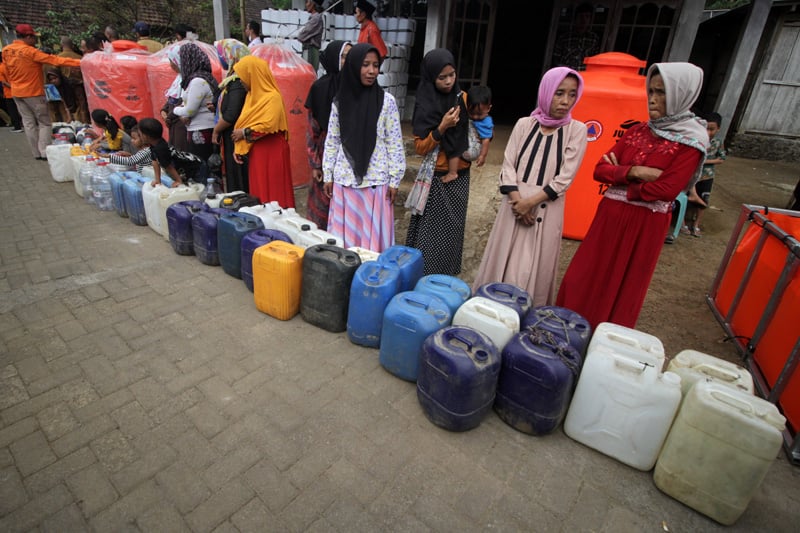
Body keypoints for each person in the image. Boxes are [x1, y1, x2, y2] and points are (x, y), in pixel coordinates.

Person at [556, 62, 708, 328]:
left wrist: (621, 177)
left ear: (681, 95)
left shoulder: (690, 141)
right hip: (609, 217)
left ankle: (602, 338)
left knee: (621, 283)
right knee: (585, 274)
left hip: (644, 225)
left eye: (661, 92)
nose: (652, 99)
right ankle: (567, 327)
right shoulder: (638, 130)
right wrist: (636, 171)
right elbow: (600, 170)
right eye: (651, 90)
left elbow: (667, 190)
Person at [472, 68, 588, 306]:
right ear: (546, 93)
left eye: (572, 94)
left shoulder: (576, 131)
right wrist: (517, 201)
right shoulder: (525, 124)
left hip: (544, 208)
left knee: (532, 267)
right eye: (559, 93)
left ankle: (526, 314)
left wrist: (529, 203)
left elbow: (565, 178)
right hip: (513, 206)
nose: (565, 101)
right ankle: (489, 308)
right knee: (503, 257)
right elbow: (508, 165)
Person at [322, 43, 405, 252]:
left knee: (372, 246)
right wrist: (328, 175)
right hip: (345, 181)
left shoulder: (387, 102)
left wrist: (395, 179)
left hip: (375, 182)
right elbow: (332, 140)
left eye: (376, 65)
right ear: (353, 66)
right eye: (365, 65)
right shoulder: (339, 102)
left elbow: (394, 141)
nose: (372, 71)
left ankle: (370, 279)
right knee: (345, 243)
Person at [405, 48, 471, 275]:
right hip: (437, 175)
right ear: (431, 77)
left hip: (460, 174)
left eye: (452, 75)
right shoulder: (425, 104)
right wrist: (442, 127)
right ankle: (424, 274)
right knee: (430, 233)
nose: (448, 81)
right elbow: (421, 147)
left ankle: (446, 274)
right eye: (442, 77)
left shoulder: (461, 97)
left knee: (452, 229)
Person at [2, 23, 82, 160]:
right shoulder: (30, 52)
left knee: (28, 123)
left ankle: (36, 153)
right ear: (27, 37)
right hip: (33, 92)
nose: (35, 41)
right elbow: (55, 60)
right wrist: (80, 62)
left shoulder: (6, 51)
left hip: (16, 92)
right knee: (44, 122)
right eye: (33, 37)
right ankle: (44, 151)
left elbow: (8, 72)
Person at [230, 55, 294, 207]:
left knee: (275, 192)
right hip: (258, 151)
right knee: (260, 190)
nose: (241, 82)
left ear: (252, 75)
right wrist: (239, 145)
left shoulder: (273, 98)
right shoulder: (251, 97)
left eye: (242, 77)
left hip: (273, 151)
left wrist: (243, 133)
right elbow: (245, 122)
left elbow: (268, 125)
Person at [305, 40, 351, 230]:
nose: (348, 61)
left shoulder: (359, 89)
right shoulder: (320, 89)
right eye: (343, 56)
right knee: (323, 200)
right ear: (333, 59)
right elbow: (311, 130)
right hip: (326, 154)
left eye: (351, 56)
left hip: (351, 156)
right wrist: (316, 164)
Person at [213, 39, 251, 193]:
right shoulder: (231, 79)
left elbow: (231, 113)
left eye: (223, 54)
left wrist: (216, 130)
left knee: (238, 176)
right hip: (232, 135)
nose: (221, 58)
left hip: (236, 135)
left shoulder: (237, 82)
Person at [172, 42, 219, 162]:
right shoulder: (201, 77)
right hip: (199, 129)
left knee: (201, 164)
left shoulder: (198, 81)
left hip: (201, 130)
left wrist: (175, 110)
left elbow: (189, 110)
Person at [682, 111, 725, 237]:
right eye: (706, 129)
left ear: (718, 129)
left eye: (712, 129)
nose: (709, 132)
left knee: (703, 201)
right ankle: (683, 224)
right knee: (687, 199)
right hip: (694, 175)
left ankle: (696, 225)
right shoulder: (697, 139)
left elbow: (721, 159)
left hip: (707, 176)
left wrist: (704, 161)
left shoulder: (717, 142)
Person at [138, 117, 206, 186]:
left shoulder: (160, 149)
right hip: (187, 167)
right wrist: (157, 180)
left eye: (140, 134)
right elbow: (155, 161)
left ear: (146, 136)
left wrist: (178, 181)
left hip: (197, 166)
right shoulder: (154, 144)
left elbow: (169, 167)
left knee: (201, 187)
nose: (139, 137)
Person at [160, 43, 190, 152]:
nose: (171, 65)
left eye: (172, 61)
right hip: (173, 122)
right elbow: (172, 98)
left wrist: (169, 116)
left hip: (181, 124)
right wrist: (163, 110)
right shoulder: (178, 79)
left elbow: (184, 101)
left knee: (181, 151)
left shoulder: (190, 80)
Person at [552, 2, 600, 70]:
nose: (583, 20)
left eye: (587, 16)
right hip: (567, 75)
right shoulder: (564, 37)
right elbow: (556, 59)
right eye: (581, 16)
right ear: (575, 18)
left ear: (590, 20)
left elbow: (595, 60)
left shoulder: (594, 39)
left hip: (585, 76)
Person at [460, 85, 494, 168]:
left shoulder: (486, 122)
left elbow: (486, 140)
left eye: (479, 114)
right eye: (471, 113)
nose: (475, 117)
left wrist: (482, 156)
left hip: (470, 151)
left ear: (488, 108)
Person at [57, 37, 89, 123]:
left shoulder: (58, 58)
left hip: (65, 87)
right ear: (72, 45)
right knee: (82, 106)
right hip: (80, 86)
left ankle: (70, 124)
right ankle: (84, 123)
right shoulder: (79, 57)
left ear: (62, 45)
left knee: (67, 107)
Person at [297, 1, 325, 71]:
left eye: (307, 2)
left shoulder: (316, 18)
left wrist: (301, 34)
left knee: (309, 74)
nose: (306, 5)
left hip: (311, 51)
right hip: (308, 50)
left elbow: (301, 36)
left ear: (313, 4)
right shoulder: (313, 18)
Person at [0, 55, 23, 132]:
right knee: (21, 108)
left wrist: (12, 87)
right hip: (20, 90)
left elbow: (4, 82)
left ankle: (17, 127)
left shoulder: (1, 68)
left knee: (13, 110)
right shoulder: (13, 65)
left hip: (9, 93)